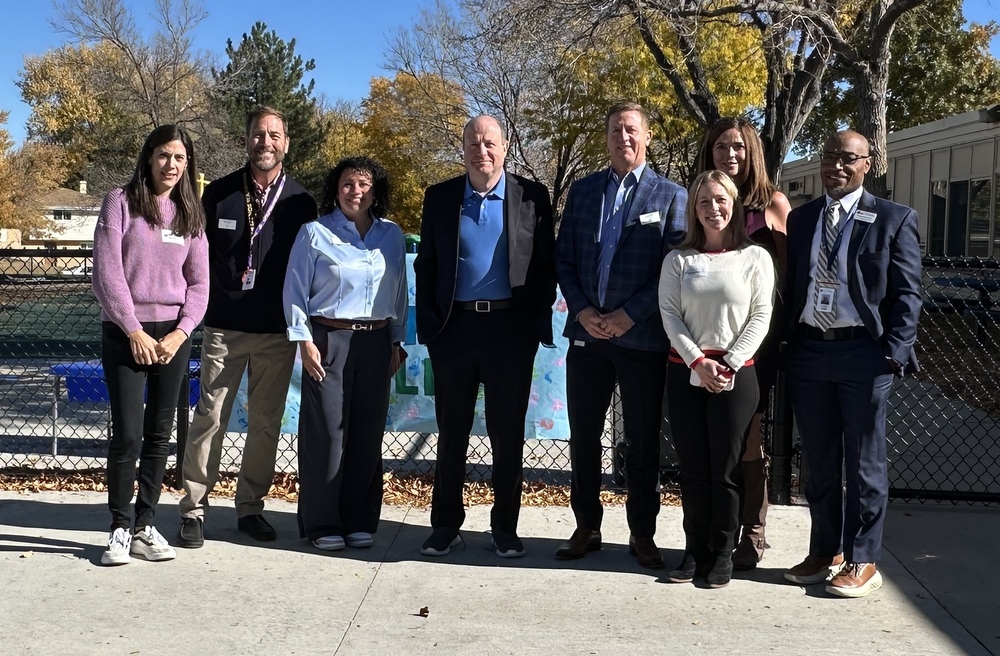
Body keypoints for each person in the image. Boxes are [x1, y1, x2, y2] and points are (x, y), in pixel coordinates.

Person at [782, 130, 921, 598]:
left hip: (864, 354)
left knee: (863, 462)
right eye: (828, 157)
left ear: (868, 164)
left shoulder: (894, 219)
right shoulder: (801, 221)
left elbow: (907, 294)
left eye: (847, 158)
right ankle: (826, 551)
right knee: (818, 462)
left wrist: (893, 352)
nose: (835, 166)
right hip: (809, 351)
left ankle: (863, 557)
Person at [414, 115, 556, 559]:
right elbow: (428, 265)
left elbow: (545, 265)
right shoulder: (440, 198)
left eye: (490, 142)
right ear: (463, 149)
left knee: (507, 433)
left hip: (509, 332)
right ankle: (445, 526)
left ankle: (505, 529)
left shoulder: (532, 197)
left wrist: (530, 323)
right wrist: (433, 329)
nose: (482, 150)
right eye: (474, 143)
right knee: (451, 431)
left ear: (505, 146)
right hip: (454, 331)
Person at [177, 107, 318, 548]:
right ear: (246, 140)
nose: (266, 143)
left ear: (286, 143)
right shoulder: (217, 194)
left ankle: (250, 508)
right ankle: (193, 509)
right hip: (224, 328)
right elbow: (193, 259)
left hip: (277, 332)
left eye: (274, 135)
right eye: (258, 135)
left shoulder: (301, 202)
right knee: (209, 419)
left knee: (265, 424)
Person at [554, 101, 686, 569]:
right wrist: (585, 311)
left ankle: (642, 534)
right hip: (588, 337)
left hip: (642, 339)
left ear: (647, 137)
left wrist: (630, 315)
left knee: (644, 442)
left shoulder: (672, 196)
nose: (622, 138)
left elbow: (675, 271)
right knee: (585, 438)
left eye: (631, 130)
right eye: (614, 130)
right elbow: (563, 260)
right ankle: (586, 526)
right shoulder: (584, 192)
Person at [92, 124, 209, 565]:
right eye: (164, 156)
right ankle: (119, 528)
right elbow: (107, 274)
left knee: (160, 436)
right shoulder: (119, 203)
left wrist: (180, 333)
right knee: (128, 435)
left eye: (180, 158)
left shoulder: (189, 214)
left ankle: (145, 525)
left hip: (172, 338)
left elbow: (199, 284)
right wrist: (133, 330)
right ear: (148, 157)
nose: (172, 165)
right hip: (127, 334)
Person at [283, 157, 407, 551]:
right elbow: (295, 291)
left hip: (377, 341)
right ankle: (323, 523)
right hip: (328, 340)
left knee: (367, 434)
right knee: (328, 435)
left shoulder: (392, 235)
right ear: (335, 189)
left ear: (376, 190)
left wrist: (397, 340)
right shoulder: (315, 233)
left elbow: (400, 291)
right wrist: (304, 341)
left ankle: (359, 518)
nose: (356, 191)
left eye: (364, 184)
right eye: (348, 184)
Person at [658, 170, 774, 587]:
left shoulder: (755, 258)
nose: (714, 208)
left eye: (721, 200)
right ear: (694, 209)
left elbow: (761, 315)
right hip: (686, 371)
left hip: (736, 376)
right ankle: (695, 551)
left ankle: (723, 552)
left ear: (735, 204)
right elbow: (670, 314)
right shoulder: (678, 260)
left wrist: (730, 361)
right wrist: (696, 361)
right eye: (704, 201)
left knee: (726, 470)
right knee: (692, 469)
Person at [697, 117, 791, 570]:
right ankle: (718, 532)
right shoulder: (704, 200)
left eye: (737, 147)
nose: (729, 155)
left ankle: (753, 532)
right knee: (713, 441)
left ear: (751, 152)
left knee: (748, 439)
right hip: (703, 345)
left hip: (758, 343)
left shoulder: (772, 205)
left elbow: (792, 280)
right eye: (720, 147)